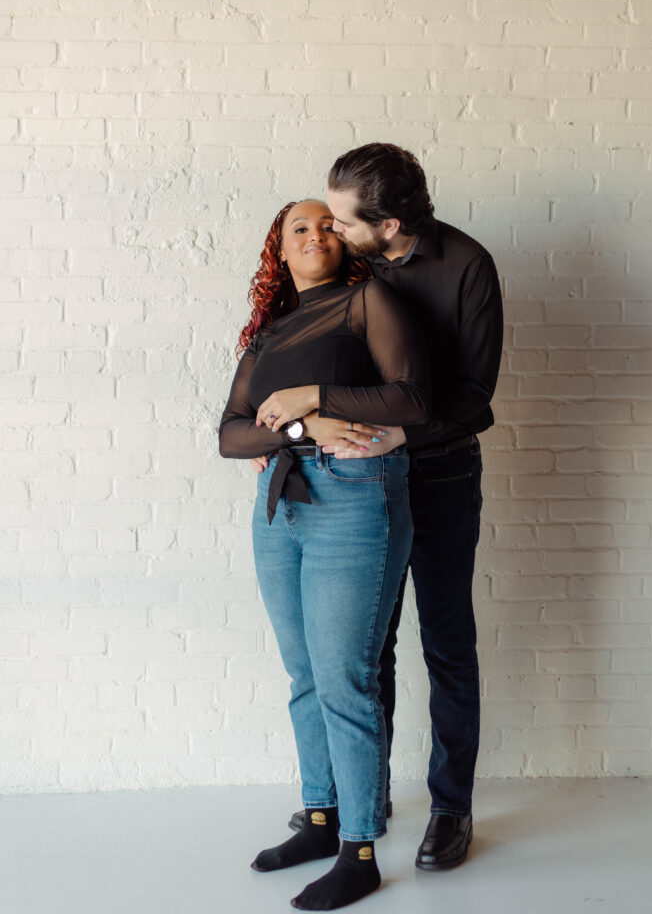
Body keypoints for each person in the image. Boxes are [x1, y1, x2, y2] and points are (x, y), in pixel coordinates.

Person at [284, 145, 503, 871]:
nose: (329, 231)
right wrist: (288, 427)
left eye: (343, 221)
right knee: (362, 652)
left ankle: (450, 809)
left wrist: (397, 434)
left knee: (445, 642)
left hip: (437, 475)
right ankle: (360, 805)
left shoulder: (468, 265)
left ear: (391, 223)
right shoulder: (350, 261)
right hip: (354, 484)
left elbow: (475, 396)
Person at [218, 198, 430, 910]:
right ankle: (319, 817)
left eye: (324, 225)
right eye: (296, 229)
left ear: (344, 242)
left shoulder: (368, 301)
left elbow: (410, 398)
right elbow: (230, 434)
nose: (314, 235)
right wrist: (305, 423)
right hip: (280, 502)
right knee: (304, 673)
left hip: (356, 494)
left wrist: (312, 402)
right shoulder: (269, 331)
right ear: (279, 250)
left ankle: (359, 849)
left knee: (344, 677)